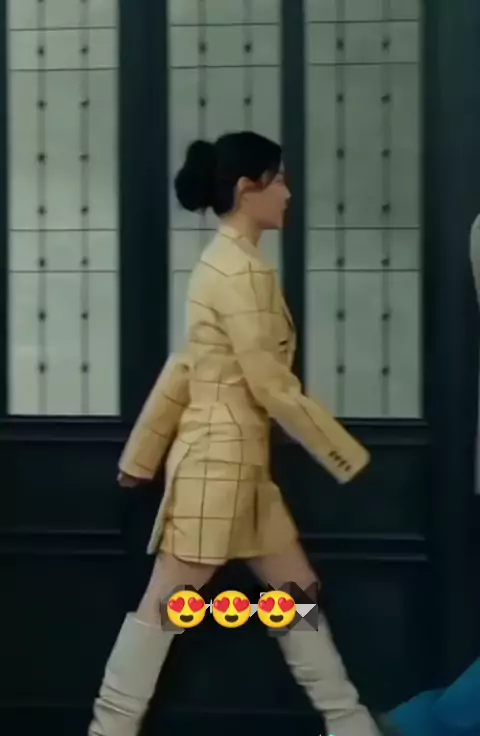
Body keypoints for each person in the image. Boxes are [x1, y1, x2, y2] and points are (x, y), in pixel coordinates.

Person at [88, 131, 381, 736]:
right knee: (165, 609)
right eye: (279, 180)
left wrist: (141, 456)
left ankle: (350, 724)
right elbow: (269, 384)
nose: (288, 193)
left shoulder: (225, 264)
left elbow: (188, 366)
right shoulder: (239, 271)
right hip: (218, 472)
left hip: (243, 473)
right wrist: (345, 455)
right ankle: (108, 729)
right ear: (249, 189)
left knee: (295, 593)